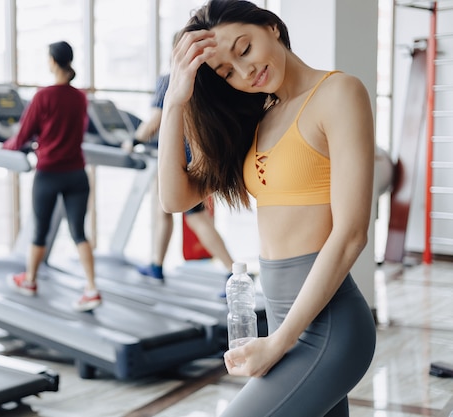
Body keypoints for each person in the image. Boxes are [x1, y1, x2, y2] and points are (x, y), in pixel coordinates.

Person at [157, 1, 377, 415]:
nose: (243, 73)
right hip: (283, 319)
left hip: (326, 327)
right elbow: (175, 198)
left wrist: (279, 343)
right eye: (225, 72)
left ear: (271, 26)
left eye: (244, 49)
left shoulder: (338, 93)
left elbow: (351, 234)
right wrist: (174, 100)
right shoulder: (260, 116)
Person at [3, 41, 102, 313]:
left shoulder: (43, 96)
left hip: (49, 174)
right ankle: (91, 288)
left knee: (40, 232)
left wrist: (5, 146)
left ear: (53, 62)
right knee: (79, 233)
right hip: (77, 174)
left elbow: (23, 135)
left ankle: (30, 280)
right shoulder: (80, 97)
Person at [133, 64, 234, 287]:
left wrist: (133, 140)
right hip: (198, 155)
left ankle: (232, 270)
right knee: (164, 210)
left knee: (195, 217)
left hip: (175, 159)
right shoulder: (204, 82)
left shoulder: (169, 81)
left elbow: (156, 120)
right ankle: (157, 265)